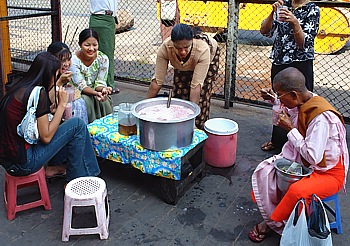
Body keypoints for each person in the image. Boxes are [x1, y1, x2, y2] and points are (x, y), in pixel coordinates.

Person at [248, 67, 348, 242]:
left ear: (294, 94)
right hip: (311, 162)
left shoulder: (320, 118)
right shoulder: (305, 100)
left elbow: (313, 157)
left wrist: (291, 130)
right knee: (267, 172)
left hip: (329, 172)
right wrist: (274, 101)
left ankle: (271, 223)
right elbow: (289, 114)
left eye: (280, 95)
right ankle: (282, 215)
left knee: (296, 190)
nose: (280, 99)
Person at [0, 52, 100, 182]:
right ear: (49, 75)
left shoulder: (20, 87)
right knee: (78, 125)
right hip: (24, 163)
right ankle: (78, 180)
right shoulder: (39, 92)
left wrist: (52, 110)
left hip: (8, 161)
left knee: (64, 123)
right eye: (56, 75)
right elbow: (46, 137)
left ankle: (86, 174)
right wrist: (62, 105)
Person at [260, 0, 320, 151]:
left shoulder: (312, 10)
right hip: (280, 61)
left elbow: (304, 44)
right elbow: (264, 31)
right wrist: (272, 12)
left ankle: (302, 143)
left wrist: (294, 22)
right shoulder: (284, 5)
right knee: (280, 102)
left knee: (301, 104)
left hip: (300, 63)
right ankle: (278, 141)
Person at [146, 24, 220, 129]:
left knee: (201, 94)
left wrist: (192, 121)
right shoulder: (166, 48)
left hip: (208, 57)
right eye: (178, 48)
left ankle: (199, 127)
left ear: (191, 42)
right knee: (179, 93)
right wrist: (143, 106)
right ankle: (178, 127)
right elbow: (157, 81)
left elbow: (196, 86)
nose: (183, 52)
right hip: (182, 63)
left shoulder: (202, 49)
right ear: (172, 43)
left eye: (186, 47)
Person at [70, 28, 113, 123]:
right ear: (80, 45)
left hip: (95, 91)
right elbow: (81, 86)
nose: (91, 49)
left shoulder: (103, 58)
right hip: (78, 93)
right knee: (86, 100)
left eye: (95, 45)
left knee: (104, 100)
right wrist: (96, 93)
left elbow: (100, 82)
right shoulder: (73, 61)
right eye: (87, 45)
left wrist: (103, 90)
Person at [47, 41, 89, 124]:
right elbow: (49, 100)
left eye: (69, 59)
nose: (66, 64)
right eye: (62, 60)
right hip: (50, 120)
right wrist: (59, 83)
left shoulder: (64, 73)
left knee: (79, 102)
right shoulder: (49, 74)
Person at [89, 0, 119, 94]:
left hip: (104, 18)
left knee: (100, 52)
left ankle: (101, 83)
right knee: (99, 52)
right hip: (102, 17)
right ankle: (108, 85)